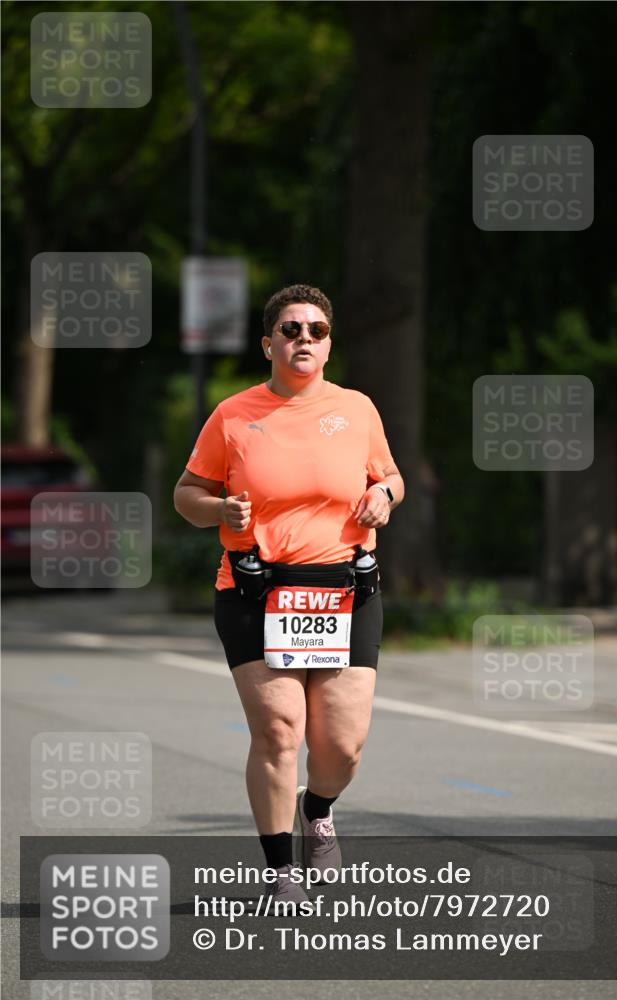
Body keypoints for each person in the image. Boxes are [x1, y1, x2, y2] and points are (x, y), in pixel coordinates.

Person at [173, 284, 404, 906]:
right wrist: (221, 506)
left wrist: (384, 495)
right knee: (279, 730)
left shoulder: (357, 409)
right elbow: (185, 495)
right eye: (293, 329)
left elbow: (391, 477)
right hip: (257, 588)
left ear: (329, 344)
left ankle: (319, 808)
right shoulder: (233, 414)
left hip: (345, 591)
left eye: (318, 330)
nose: (305, 339)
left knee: (341, 746)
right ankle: (281, 871)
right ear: (268, 343)